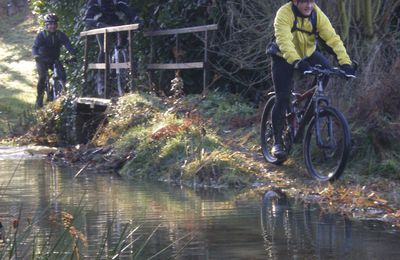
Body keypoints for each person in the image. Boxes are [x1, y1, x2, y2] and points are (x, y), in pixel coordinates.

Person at [266, 0, 356, 159]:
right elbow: (284, 41)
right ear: (295, 1)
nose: (308, 5)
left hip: (307, 54)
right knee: (283, 97)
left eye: (311, 1)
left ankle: (306, 111)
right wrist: (297, 62)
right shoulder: (284, 13)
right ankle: (277, 141)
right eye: (304, 2)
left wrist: (345, 62)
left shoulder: (316, 15)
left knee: (327, 70)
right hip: (282, 56)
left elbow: (332, 39)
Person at [84, 0, 141, 93]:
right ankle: (102, 80)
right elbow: (87, 18)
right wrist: (97, 24)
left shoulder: (117, 1)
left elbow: (127, 9)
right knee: (104, 49)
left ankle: (127, 77)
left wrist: (136, 19)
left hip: (115, 23)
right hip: (101, 25)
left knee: (124, 44)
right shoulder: (95, 2)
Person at [32, 13, 76, 109]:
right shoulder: (42, 35)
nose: (53, 26)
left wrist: (74, 54)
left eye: (54, 24)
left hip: (54, 59)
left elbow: (68, 45)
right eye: (50, 24)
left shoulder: (60, 35)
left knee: (62, 75)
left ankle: (52, 96)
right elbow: (35, 47)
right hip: (42, 60)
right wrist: (36, 55)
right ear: (46, 25)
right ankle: (39, 99)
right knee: (43, 77)